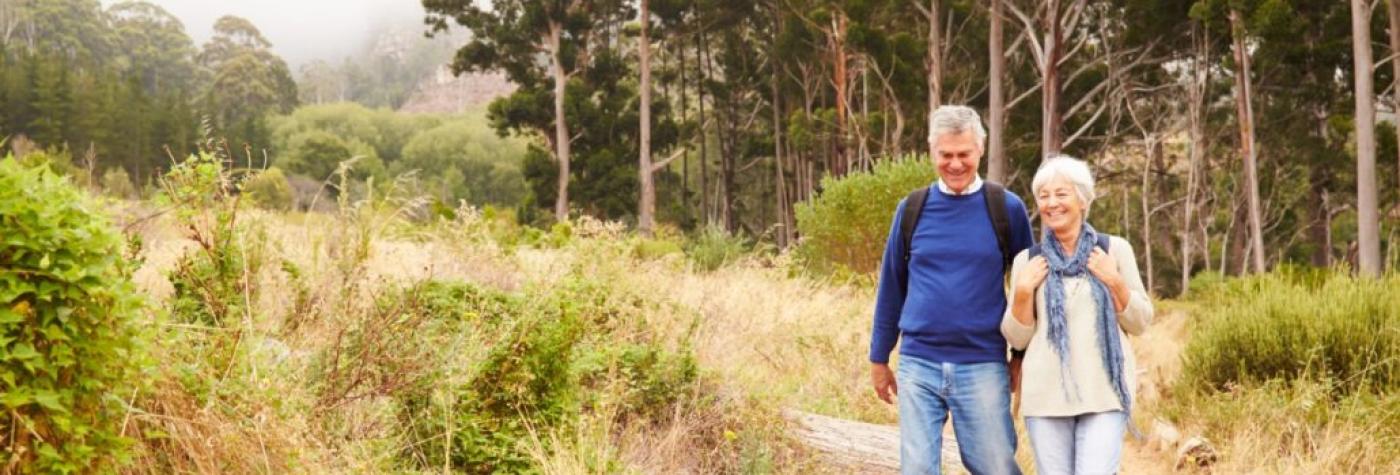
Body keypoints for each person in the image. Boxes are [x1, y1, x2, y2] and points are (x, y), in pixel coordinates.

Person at [870, 105, 1033, 475]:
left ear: (980, 150)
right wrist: (879, 358)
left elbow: (1029, 288)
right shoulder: (911, 209)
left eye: (964, 154)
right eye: (946, 155)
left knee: (995, 466)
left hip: (983, 364)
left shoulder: (1007, 209)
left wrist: (1020, 356)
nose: (955, 164)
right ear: (933, 153)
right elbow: (892, 286)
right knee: (917, 469)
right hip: (918, 363)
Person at [1000, 155, 1154, 475]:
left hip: (1105, 393)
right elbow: (1017, 338)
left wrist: (1115, 281)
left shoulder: (1114, 251)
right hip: (1045, 399)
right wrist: (1024, 293)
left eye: (1061, 194)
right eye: (1044, 196)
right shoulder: (1027, 261)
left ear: (1083, 200)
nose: (1052, 203)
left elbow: (1140, 322)